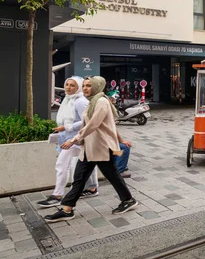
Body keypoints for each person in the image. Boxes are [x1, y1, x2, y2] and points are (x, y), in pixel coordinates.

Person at [44, 76, 138, 222]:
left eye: (89, 85)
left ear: (97, 86)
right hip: (90, 146)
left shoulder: (101, 102)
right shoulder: (92, 101)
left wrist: (74, 139)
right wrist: (121, 140)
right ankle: (67, 209)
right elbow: (103, 124)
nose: (86, 88)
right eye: (85, 85)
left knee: (111, 175)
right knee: (80, 177)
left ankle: (128, 200)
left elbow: (94, 124)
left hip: (101, 147)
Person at [37, 77, 99, 208]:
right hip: (70, 138)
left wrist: (66, 127)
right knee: (84, 164)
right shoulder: (68, 99)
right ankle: (92, 188)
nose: (68, 87)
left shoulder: (80, 101)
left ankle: (57, 195)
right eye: (66, 84)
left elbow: (87, 120)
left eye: (72, 85)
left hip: (75, 139)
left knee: (61, 165)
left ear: (78, 87)